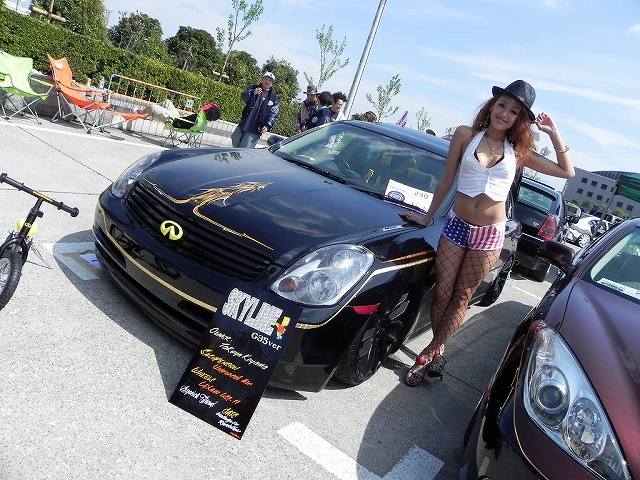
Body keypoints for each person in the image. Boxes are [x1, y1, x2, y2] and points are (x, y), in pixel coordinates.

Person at [399, 80, 575, 387]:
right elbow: (446, 180)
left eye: (514, 111)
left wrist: (554, 133)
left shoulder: (519, 152)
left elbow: (566, 172)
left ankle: (426, 355)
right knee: (442, 293)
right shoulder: (465, 135)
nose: (504, 113)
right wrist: (427, 217)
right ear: (492, 106)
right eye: (502, 105)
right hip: (456, 224)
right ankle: (439, 349)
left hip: (489, 234)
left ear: (519, 119)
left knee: (461, 298)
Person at [231, 72, 280, 148]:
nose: (267, 81)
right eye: (266, 79)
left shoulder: (273, 98)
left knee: (245, 148)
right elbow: (243, 97)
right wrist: (252, 92)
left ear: (272, 84)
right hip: (244, 122)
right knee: (235, 137)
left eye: (270, 80)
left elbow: (274, 114)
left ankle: (239, 155)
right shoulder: (253, 88)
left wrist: (268, 125)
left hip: (256, 128)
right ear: (262, 80)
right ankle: (236, 154)